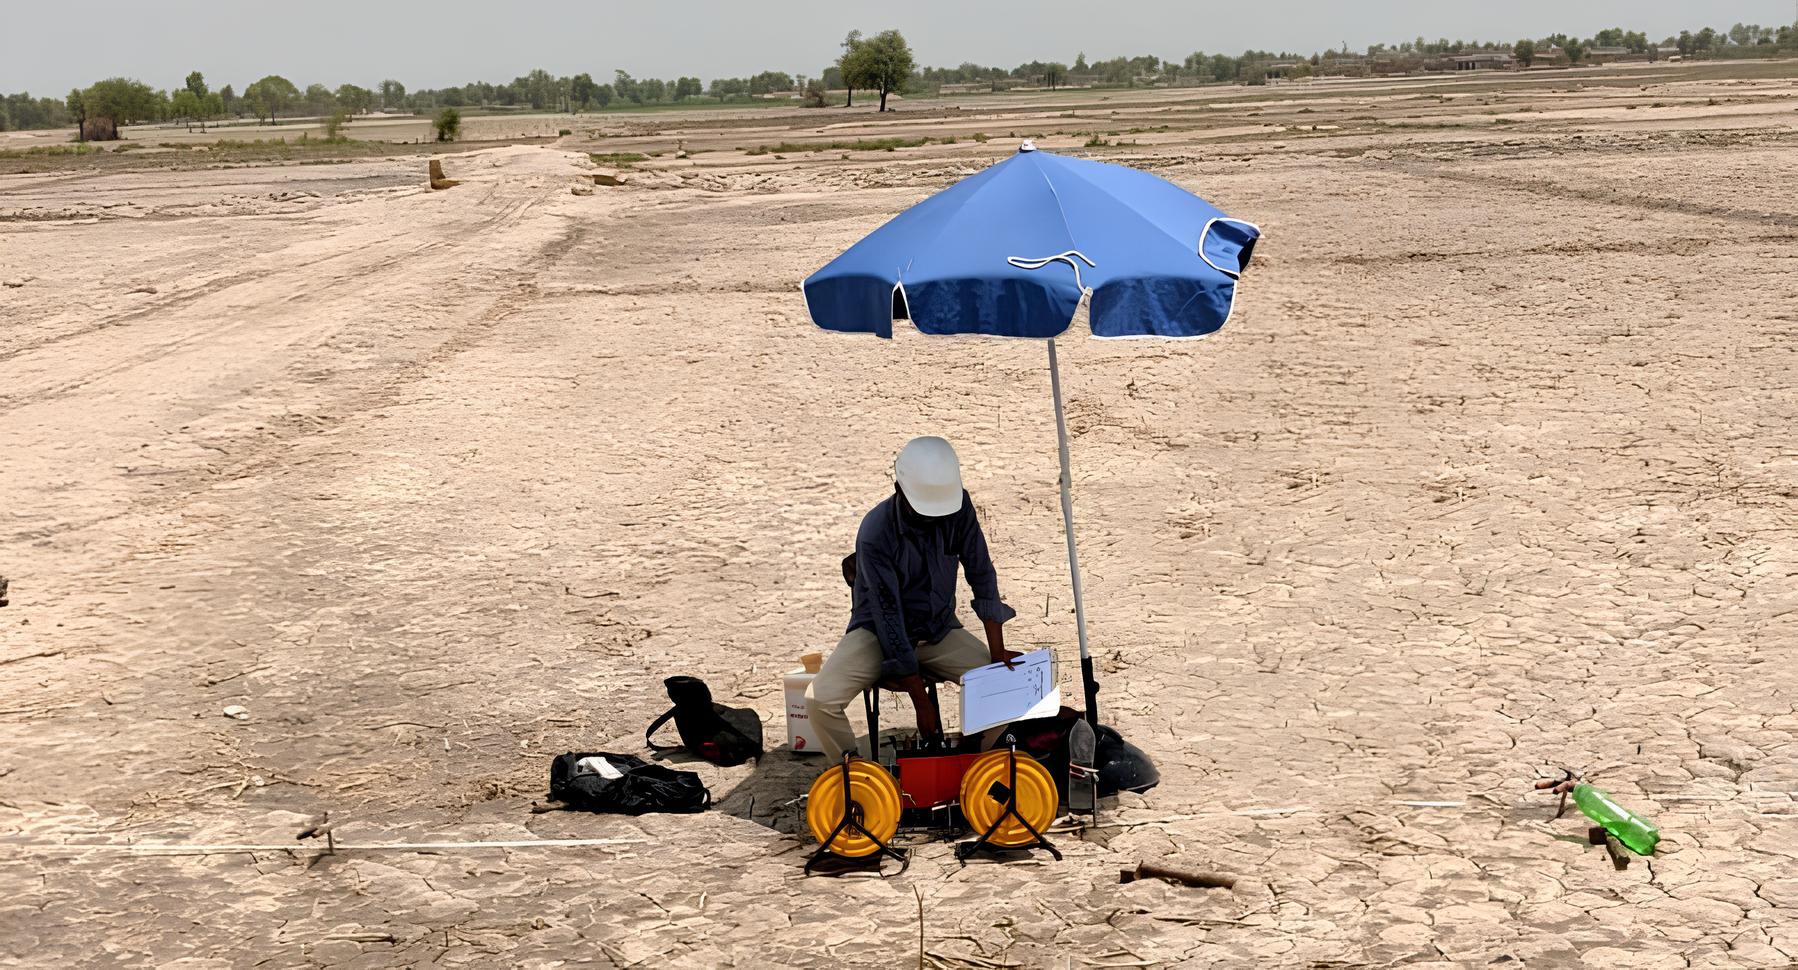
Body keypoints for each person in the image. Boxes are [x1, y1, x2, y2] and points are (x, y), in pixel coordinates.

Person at [806, 436, 1020, 763]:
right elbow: (887, 616)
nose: (933, 519)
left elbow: (982, 574)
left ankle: (973, 764)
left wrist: (997, 648)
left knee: (1004, 687)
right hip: (876, 634)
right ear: (898, 489)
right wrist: (922, 703)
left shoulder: (959, 507)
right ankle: (856, 779)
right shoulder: (875, 530)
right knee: (819, 700)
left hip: (937, 630)